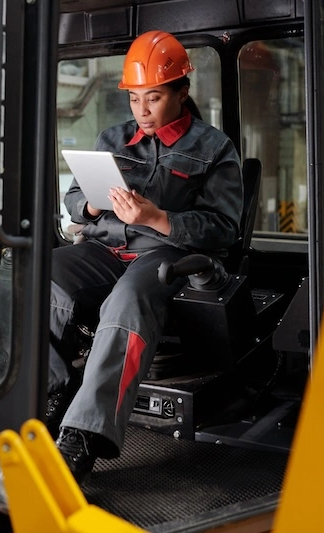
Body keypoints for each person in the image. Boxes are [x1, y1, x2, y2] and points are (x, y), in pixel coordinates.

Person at [47, 30, 244, 484]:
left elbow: (224, 228)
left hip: (164, 254)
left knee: (126, 303)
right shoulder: (112, 138)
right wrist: (92, 204)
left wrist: (158, 219)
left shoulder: (213, 149)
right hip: (103, 248)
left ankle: (83, 434)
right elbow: (75, 199)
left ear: (182, 92)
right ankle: (54, 394)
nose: (142, 109)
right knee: (41, 276)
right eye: (135, 99)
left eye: (153, 97)